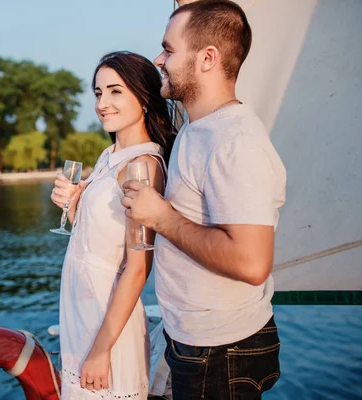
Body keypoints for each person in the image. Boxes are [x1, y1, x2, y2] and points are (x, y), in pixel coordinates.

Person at [121, 1, 287, 398]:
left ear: (207, 57)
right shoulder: (198, 129)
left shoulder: (235, 142)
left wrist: (161, 218)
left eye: (169, 49)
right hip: (197, 340)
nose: (159, 59)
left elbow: (251, 263)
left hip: (221, 350)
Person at [50, 51, 175, 399]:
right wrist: (73, 204)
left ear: (145, 97)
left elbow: (137, 268)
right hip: (80, 309)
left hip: (106, 324)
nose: (103, 102)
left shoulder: (143, 167)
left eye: (115, 91)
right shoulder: (108, 157)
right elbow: (92, 240)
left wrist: (102, 349)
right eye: (98, 92)